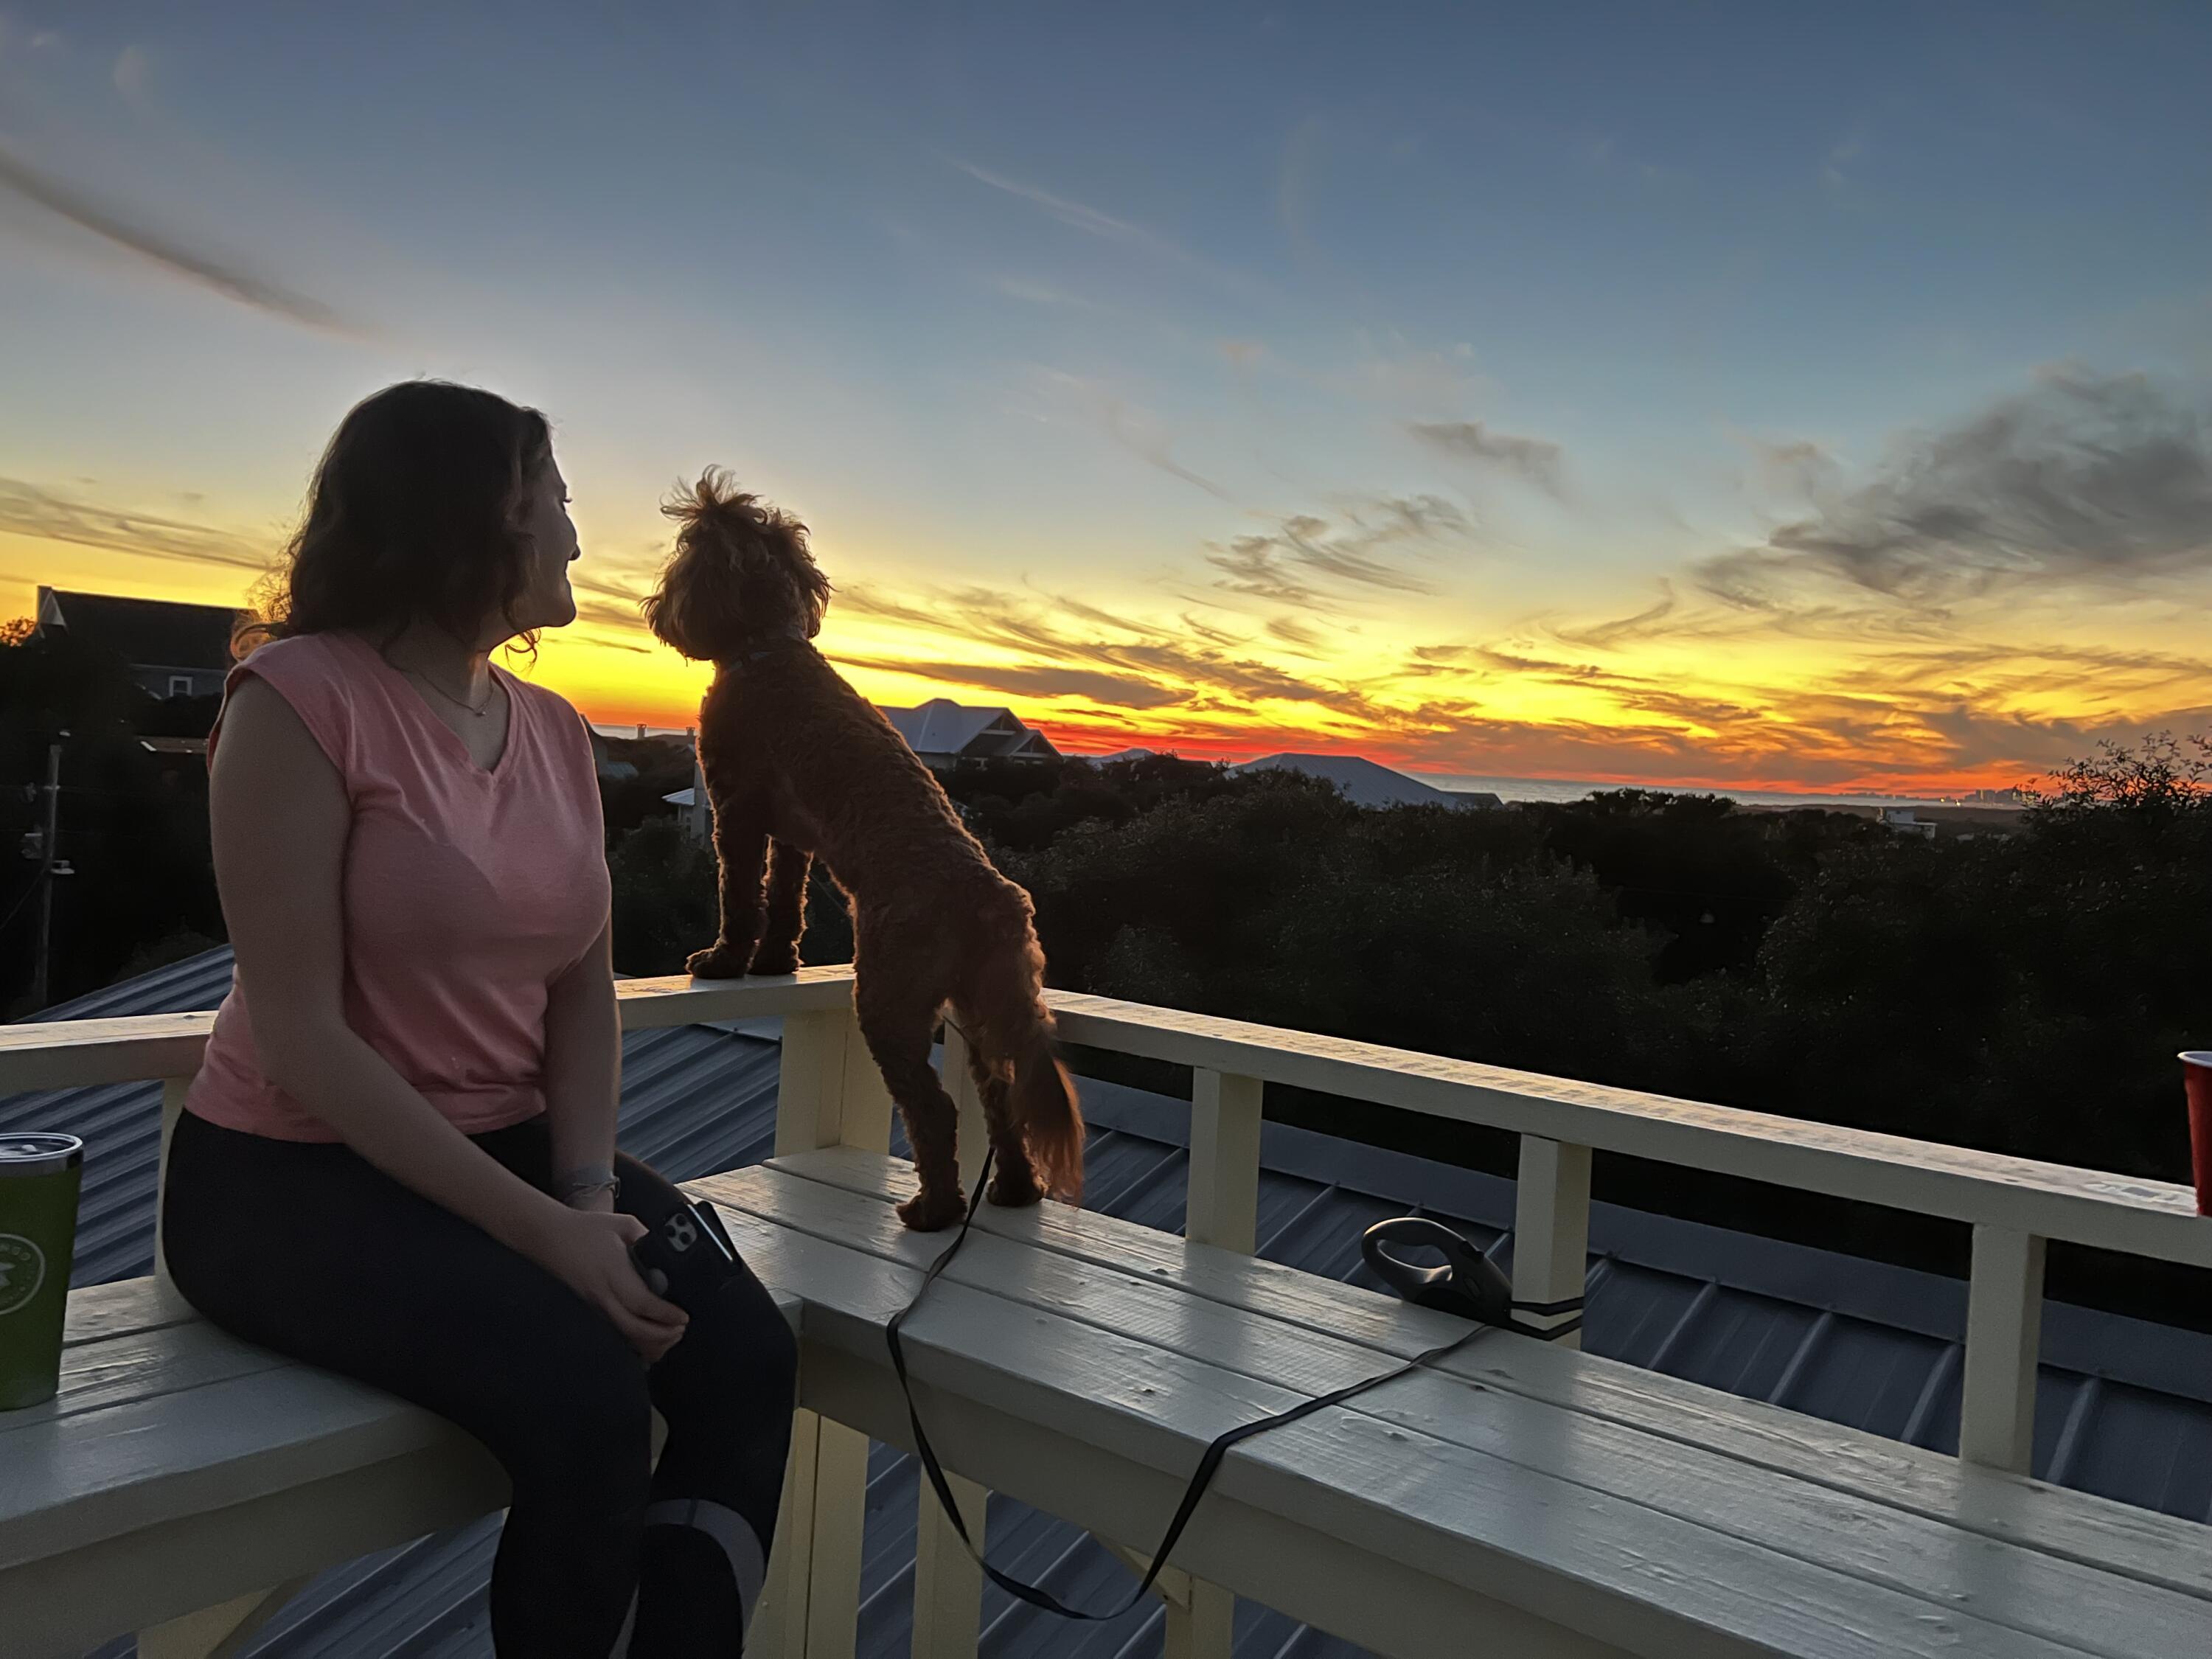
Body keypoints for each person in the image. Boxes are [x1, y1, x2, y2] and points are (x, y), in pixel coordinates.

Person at [160, 380, 796, 1658]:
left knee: (745, 1356)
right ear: (470, 516)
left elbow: (581, 985)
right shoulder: (297, 701)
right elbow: (301, 1036)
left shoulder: (553, 730)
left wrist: (582, 1192)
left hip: (512, 1153)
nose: (576, 534)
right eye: (552, 497)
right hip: (289, 1180)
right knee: (586, 1396)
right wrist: (555, 1239)